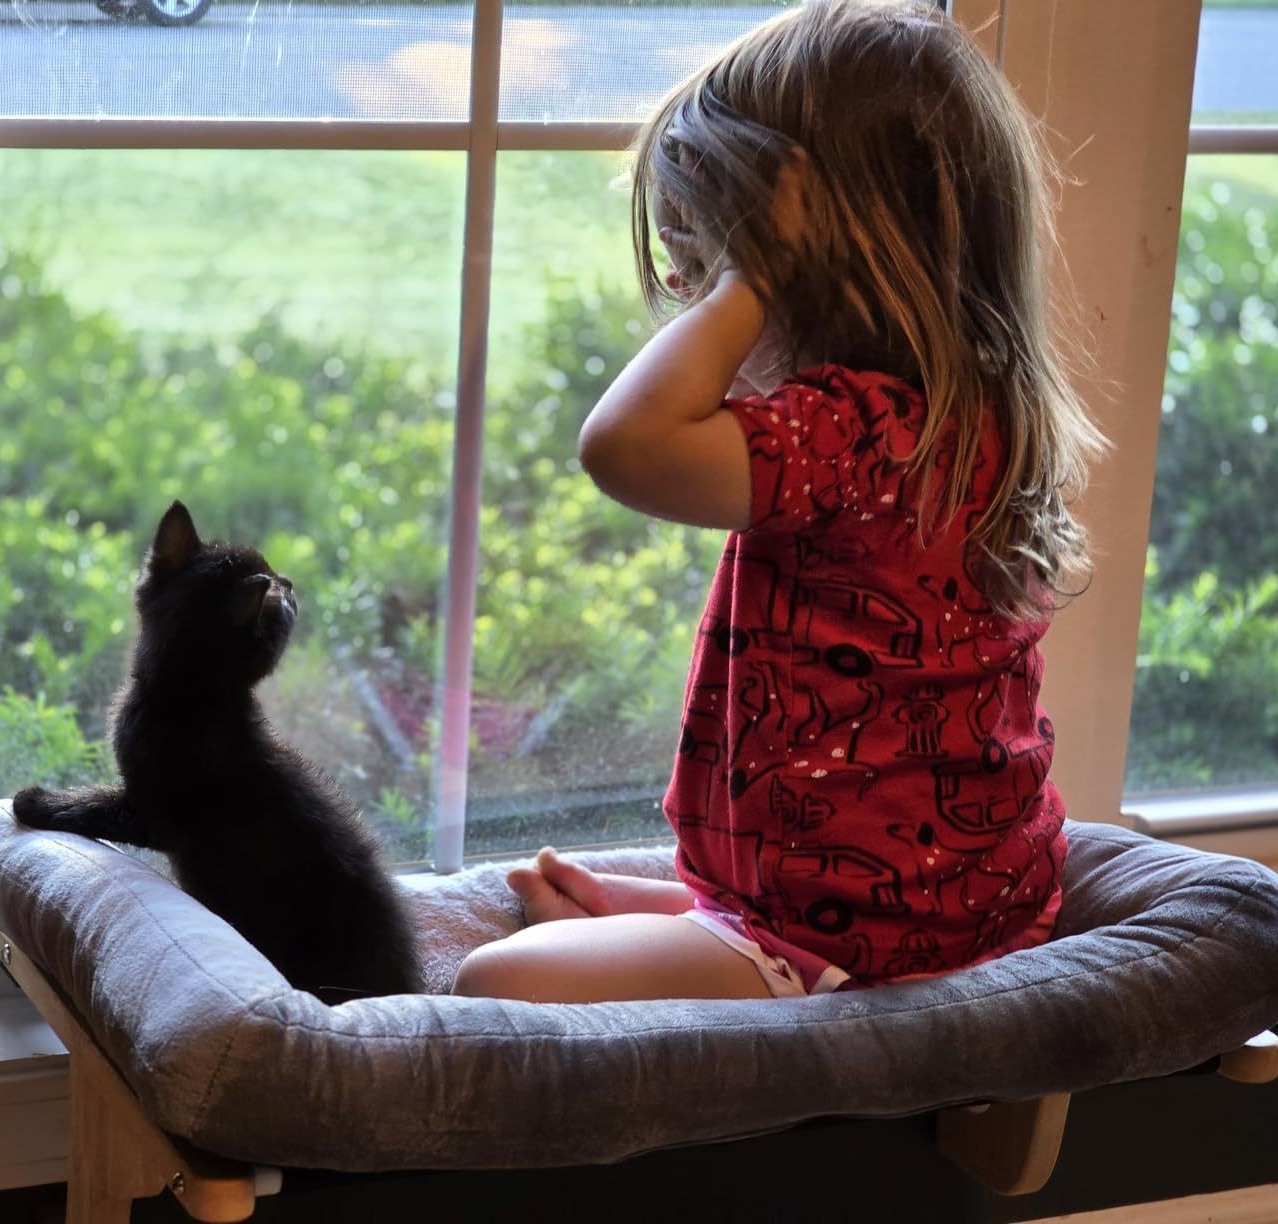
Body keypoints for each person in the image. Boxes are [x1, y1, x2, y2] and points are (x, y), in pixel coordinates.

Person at [452, 0, 1104, 1004]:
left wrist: (750, 279)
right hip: (959, 904)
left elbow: (624, 447)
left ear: (810, 257)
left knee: (495, 981)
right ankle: (707, 918)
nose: (688, 291)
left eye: (706, 266)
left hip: (861, 950)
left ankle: (726, 940)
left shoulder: (856, 433)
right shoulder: (975, 417)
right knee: (561, 925)